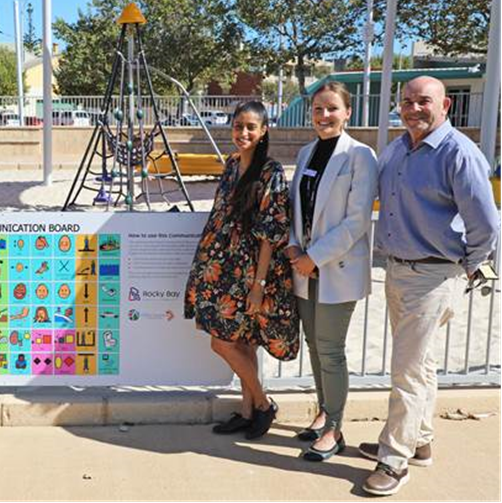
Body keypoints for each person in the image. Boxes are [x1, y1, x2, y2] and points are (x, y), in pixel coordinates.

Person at [360, 76, 499, 496]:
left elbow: (487, 224)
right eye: (407, 101)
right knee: (419, 366)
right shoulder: (398, 148)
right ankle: (419, 442)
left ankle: (394, 459)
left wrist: (467, 266)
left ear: (445, 107)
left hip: (436, 276)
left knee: (405, 371)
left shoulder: (460, 152)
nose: (413, 109)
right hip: (398, 271)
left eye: (423, 101)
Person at [185, 101, 298, 440]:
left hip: (252, 273)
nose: (243, 133)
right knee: (241, 341)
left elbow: (270, 232)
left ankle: (263, 405)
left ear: (264, 131)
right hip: (223, 269)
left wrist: (259, 284)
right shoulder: (231, 166)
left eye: (251, 127)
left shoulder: (271, 172)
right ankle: (248, 411)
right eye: (238, 126)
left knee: (221, 344)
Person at [286, 82, 378, 461]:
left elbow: (356, 221)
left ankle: (335, 429)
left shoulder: (360, 155)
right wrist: (294, 244)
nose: (324, 116)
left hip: (334, 266)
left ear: (347, 113)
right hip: (304, 265)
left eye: (331, 109)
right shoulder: (308, 152)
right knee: (313, 345)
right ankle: (323, 411)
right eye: (318, 110)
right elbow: (297, 208)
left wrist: (315, 256)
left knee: (330, 350)